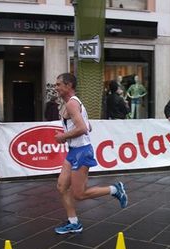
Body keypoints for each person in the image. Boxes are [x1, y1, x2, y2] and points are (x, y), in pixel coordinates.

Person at [53, 73, 128, 234]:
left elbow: (83, 128)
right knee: (62, 186)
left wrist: (63, 136)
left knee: (79, 194)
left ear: (68, 86)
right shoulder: (73, 103)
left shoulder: (72, 104)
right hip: (74, 151)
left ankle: (115, 189)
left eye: (59, 84)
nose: (56, 87)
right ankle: (74, 223)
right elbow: (88, 126)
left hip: (81, 152)